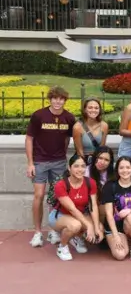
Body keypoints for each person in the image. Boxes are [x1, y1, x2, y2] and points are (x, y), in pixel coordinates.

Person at [26, 86, 76, 248]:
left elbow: (68, 139)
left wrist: (61, 154)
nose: (57, 102)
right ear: (50, 99)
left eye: (61, 99)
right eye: (54, 98)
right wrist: (30, 163)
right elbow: (29, 139)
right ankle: (38, 232)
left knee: (57, 197)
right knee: (39, 195)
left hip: (59, 162)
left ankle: (54, 230)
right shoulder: (39, 115)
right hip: (40, 161)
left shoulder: (69, 118)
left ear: (64, 100)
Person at [49, 155, 104, 261]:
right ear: (69, 168)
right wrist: (89, 225)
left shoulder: (90, 182)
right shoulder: (61, 185)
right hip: (59, 215)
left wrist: (96, 228)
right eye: (76, 166)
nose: (80, 169)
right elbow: (71, 209)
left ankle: (76, 237)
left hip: (79, 215)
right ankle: (62, 247)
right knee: (75, 225)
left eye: (83, 166)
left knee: (99, 228)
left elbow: (93, 206)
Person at [102, 156, 131, 261]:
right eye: (121, 168)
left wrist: (130, 210)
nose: (125, 171)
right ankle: (123, 239)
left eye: (128, 167)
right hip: (115, 227)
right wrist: (116, 236)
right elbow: (109, 214)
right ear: (117, 170)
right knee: (120, 255)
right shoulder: (110, 186)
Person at [72, 97, 108, 166]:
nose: (93, 110)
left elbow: (102, 148)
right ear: (85, 110)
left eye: (96, 108)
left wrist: (97, 163)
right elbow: (79, 151)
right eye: (90, 107)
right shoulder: (77, 127)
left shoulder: (104, 126)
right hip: (83, 160)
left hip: (98, 160)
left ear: (99, 110)